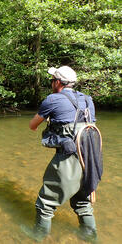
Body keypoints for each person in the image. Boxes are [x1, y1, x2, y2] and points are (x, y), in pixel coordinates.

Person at [24, 66, 98, 242]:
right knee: (82, 201)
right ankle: (90, 237)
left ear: (57, 82)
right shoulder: (88, 100)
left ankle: (39, 235)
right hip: (91, 157)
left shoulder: (53, 99)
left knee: (46, 201)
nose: (51, 83)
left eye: (52, 80)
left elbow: (32, 125)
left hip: (69, 157)